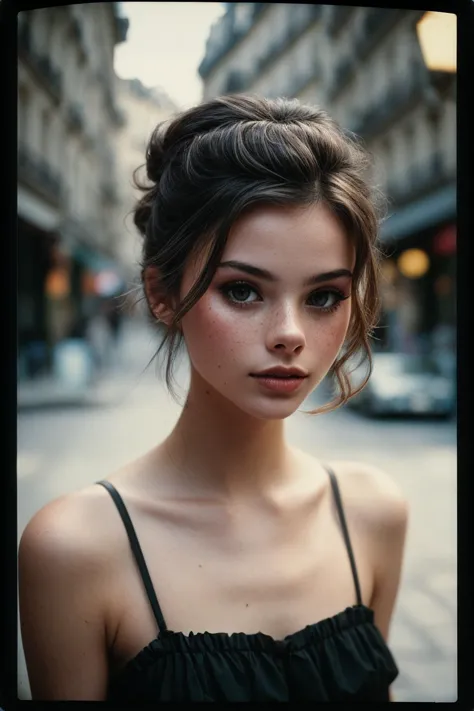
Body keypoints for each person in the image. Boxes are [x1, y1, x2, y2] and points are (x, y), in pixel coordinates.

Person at [18, 94, 408, 702]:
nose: (290, 333)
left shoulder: (374, 512)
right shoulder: (75, 548)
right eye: (244, 290)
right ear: (162, 294)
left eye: (325, 296)